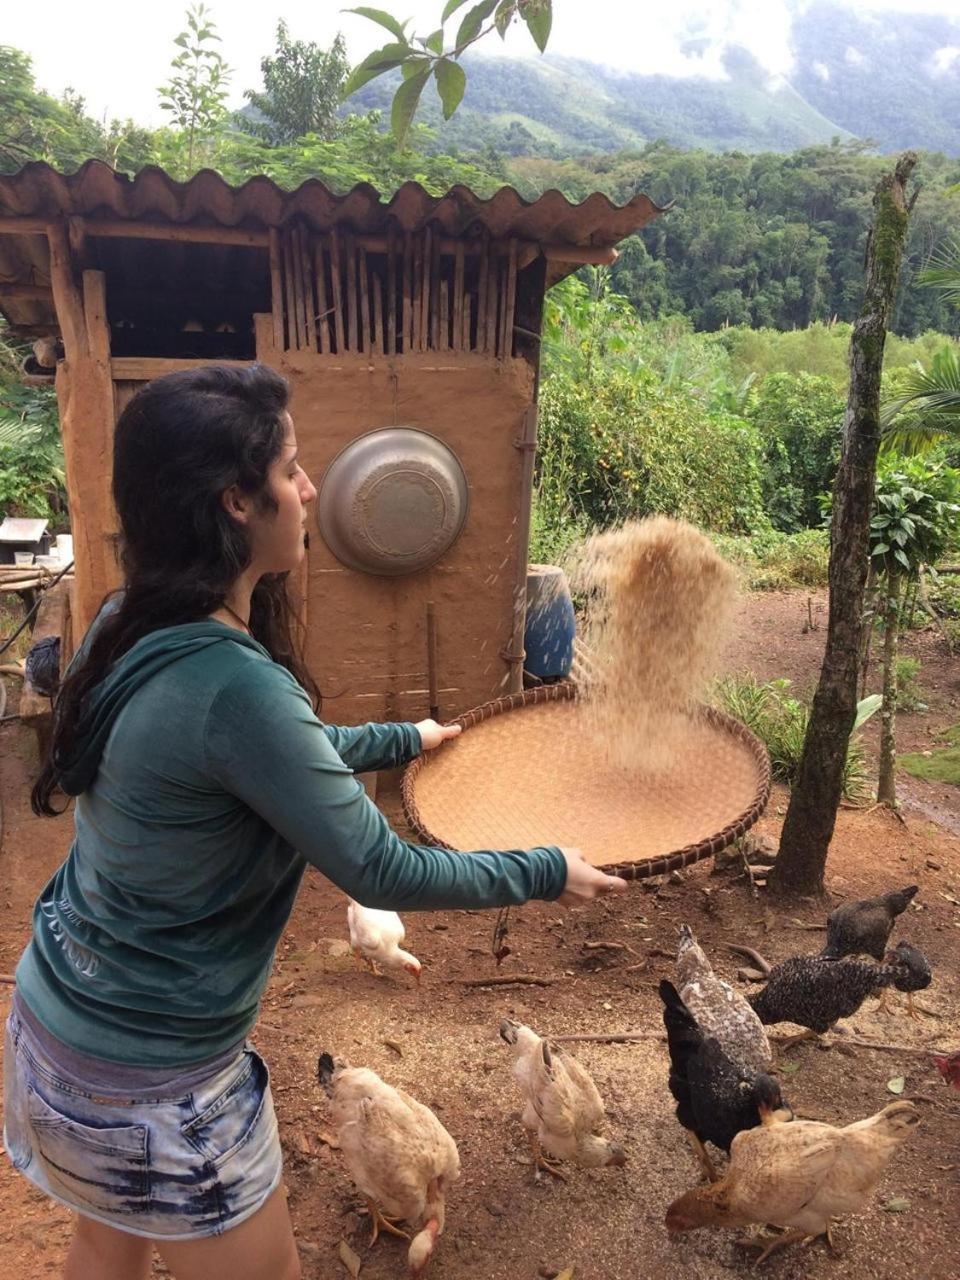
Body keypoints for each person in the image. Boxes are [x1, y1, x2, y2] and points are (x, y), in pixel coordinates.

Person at [3, 364, 626, 1280]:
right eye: (291, 469)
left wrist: (399, 735)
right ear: (235, 504)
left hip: (58, 1024)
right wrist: (543, 868)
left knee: (109, 1240)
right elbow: (385, 872)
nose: (309, 489)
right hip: (157, 1079)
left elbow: (263, 752)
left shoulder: (124, 622)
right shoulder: (234, 685)